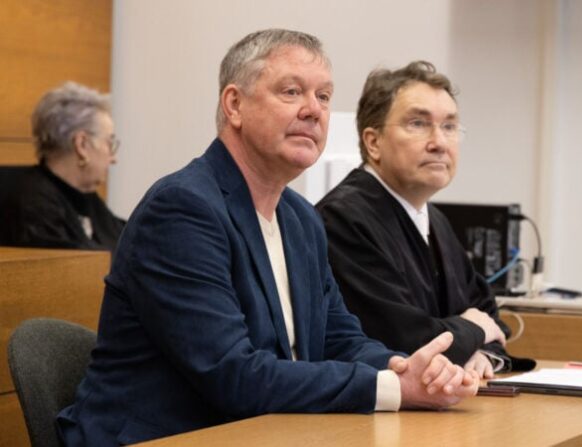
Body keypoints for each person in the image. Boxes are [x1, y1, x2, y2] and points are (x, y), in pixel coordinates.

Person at [56, 30, 477, 446]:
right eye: (292, 92)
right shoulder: (182, 210)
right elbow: (233, 374)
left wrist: (405, 368)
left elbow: (339, 338)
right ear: (235, 104)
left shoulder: (301, 218)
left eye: (325, 97)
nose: (314, 111)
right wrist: (391, 389)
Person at [316, 61, 534, 379]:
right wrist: (474, 329)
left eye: (449, 127)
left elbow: (488, 313)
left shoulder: (435, 219)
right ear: (373, 142)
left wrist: (483, 352)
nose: (439, 142)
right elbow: (402, 338)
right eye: (418, 124)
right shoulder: (342, 219)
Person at [1, 82, 125, 252]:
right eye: (109, 143)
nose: (113, 158)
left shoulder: (86, 196)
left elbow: (127, 240)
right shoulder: (34, 206)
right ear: (82, 145)